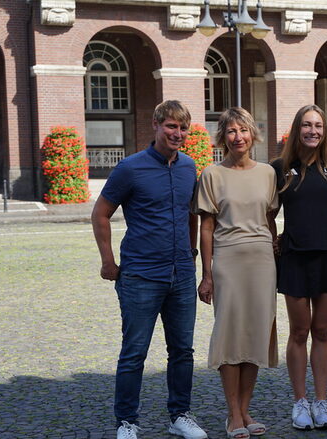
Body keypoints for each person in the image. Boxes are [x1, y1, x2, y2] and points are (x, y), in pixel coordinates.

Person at [91, 100, 208, 439]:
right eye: (171, 126)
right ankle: (127, 421)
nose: (177, 133)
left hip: (182, 275)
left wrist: (192, 253)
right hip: (141, 276)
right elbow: (100, 213)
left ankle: (180, 415)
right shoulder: (131, 168)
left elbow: (191, 214)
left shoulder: (189, 167)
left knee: (183, 351)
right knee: (134, 352)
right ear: (156, 125)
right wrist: (108, 261)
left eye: (183, 128)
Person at [193, 107, 278, 439]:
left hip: (262, 262)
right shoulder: (212, 174)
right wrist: (207, 274)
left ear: (253, 134)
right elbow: (206, 228)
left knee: (255, 335)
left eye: (243, 130)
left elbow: (270, 220)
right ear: (223, 137)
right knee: (230, 335)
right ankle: (232, 415)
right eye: (231, 131)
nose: (238, 137)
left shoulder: (268, 173)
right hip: (227, 261)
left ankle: (245, 409)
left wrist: (276, 244)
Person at [270, 104, 327, 430]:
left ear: (324, 130)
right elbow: (266, 213)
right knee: (300, 332)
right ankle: (299, 402)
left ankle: (321, 402)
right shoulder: (280, 168)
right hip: (295, 259)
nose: (312, 130)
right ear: (297, 128)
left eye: (317, 125)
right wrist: (276, 239)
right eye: (306, 124)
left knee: (322, 332)